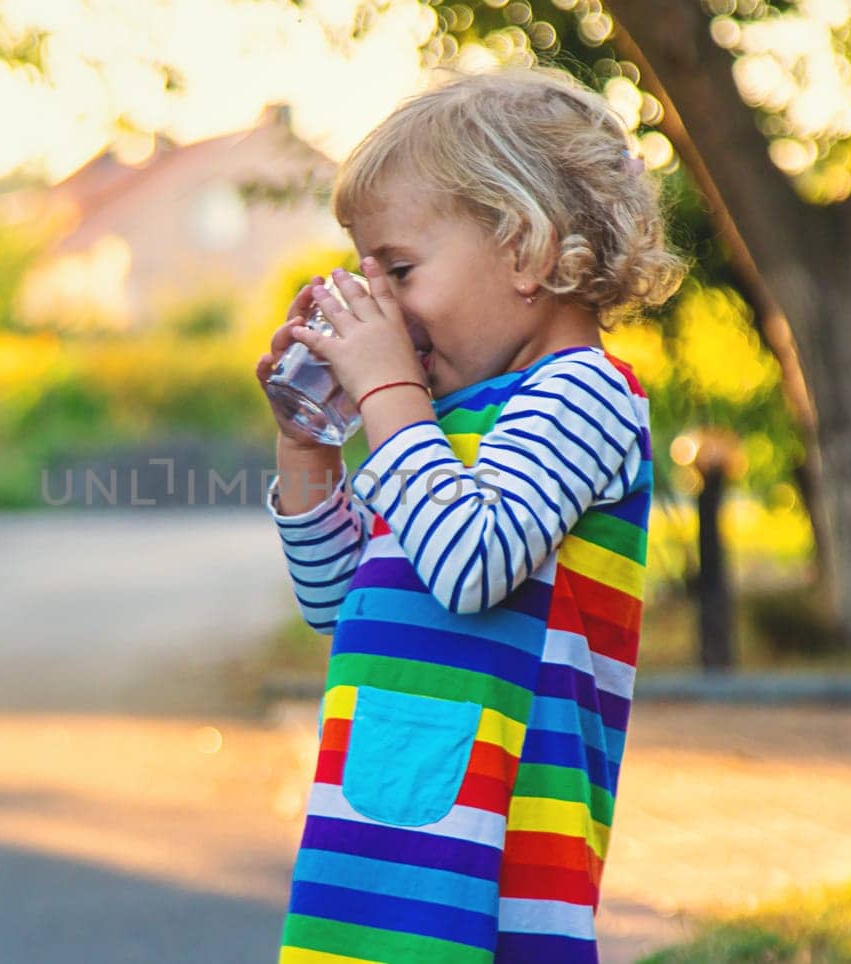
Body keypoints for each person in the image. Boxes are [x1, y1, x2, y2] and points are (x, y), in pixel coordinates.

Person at [254, 65, 685, 963]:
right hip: (381, 846)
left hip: (498, 880)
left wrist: (387, 390)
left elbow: (473, 564)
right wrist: (311, 449)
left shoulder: (584, 395)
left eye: (400, 271)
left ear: (527, 250)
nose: (383, 308)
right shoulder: (439, 420)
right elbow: (339, 600)